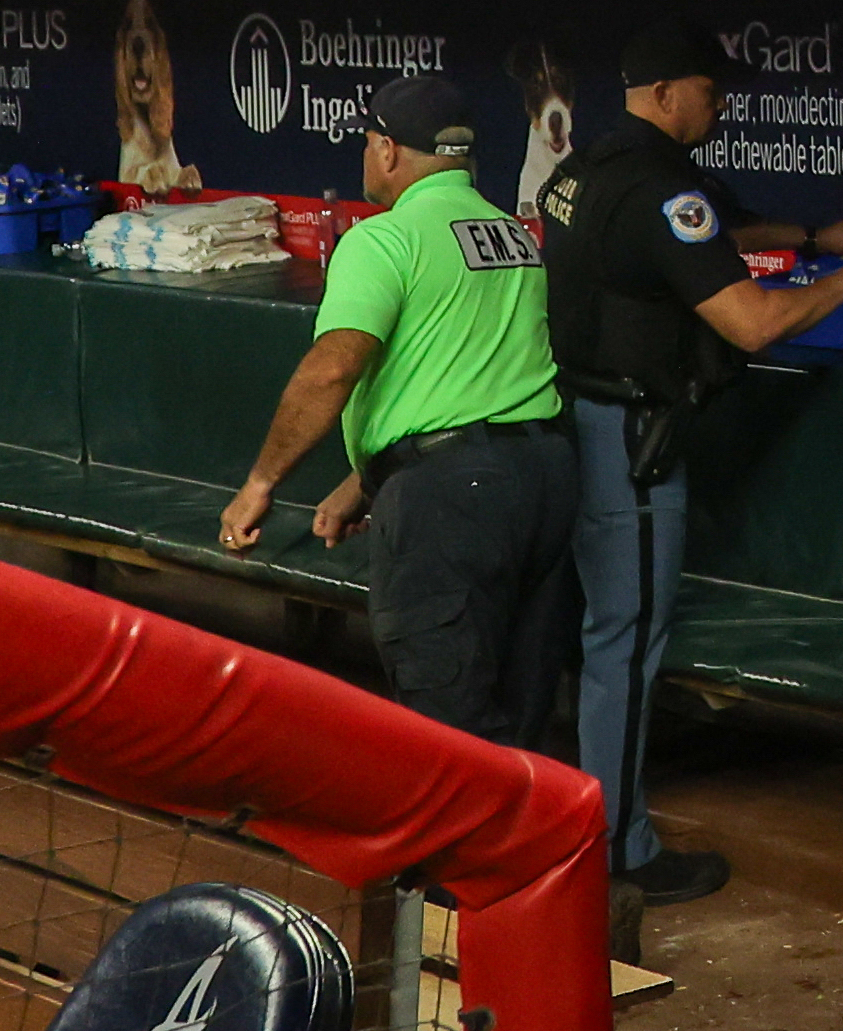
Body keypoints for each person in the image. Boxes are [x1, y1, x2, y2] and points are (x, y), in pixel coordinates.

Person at [540, 24, 843, 902]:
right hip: (627, 438)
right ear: (669, 92)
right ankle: (617, 852)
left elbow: (707, 228)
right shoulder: (662, 187)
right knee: (625, 645)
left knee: (600, 638)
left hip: (572, 413)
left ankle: (596, 833)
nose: (719, 106)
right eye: (710, 92)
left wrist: (814, 235)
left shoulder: (587, 165)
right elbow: (750, 321)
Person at [216, 75, 575, 749]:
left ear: (387, 150)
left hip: (453, 501)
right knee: (521, 703)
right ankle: (520, 850)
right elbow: (468, 376)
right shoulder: (511, 235)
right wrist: (367, 478)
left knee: (446, 709)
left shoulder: (383, 240)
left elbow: (333, 367)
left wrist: (260, 483)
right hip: (545, 479)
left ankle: (448, 853)